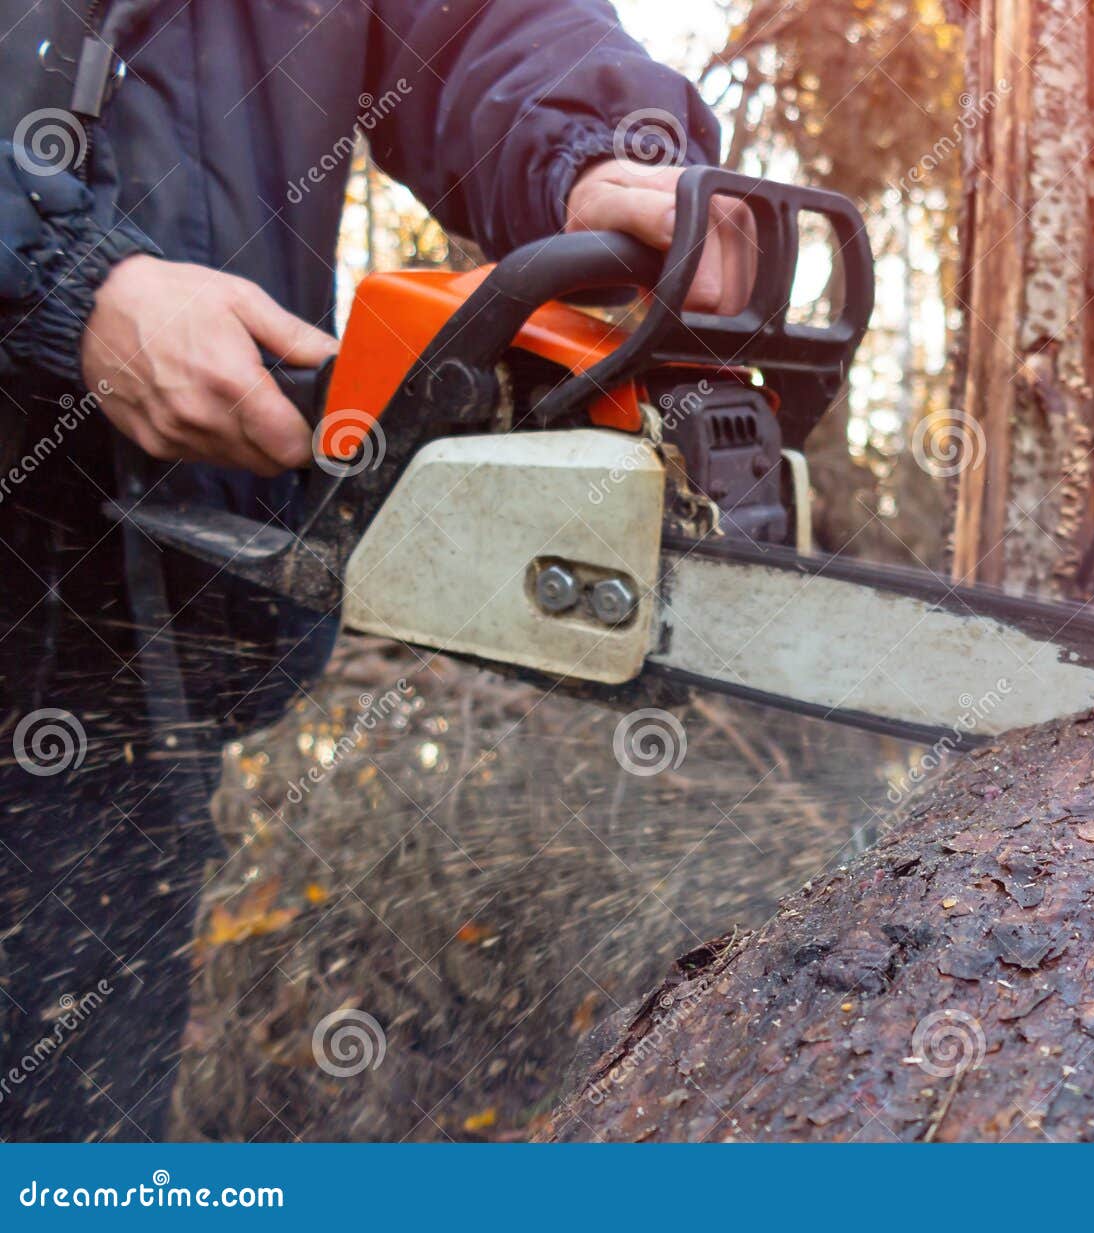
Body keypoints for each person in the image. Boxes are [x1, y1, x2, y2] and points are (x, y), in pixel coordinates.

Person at [0, 0, 749, 1141]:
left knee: (74, 1121)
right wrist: (52, 274)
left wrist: (601, 152)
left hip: (131, 662)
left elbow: (468, 28)